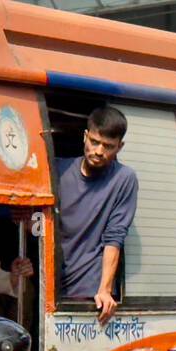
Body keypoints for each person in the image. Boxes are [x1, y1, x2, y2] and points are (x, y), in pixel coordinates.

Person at [57, 106, 139, 324]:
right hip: (49, 281)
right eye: (95, 142)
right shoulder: (58, 170)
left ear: (119, 147)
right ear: (85, 137)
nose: (99, 151)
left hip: (87, 291)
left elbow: (114, 237)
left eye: (108, 146)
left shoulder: (124, 179)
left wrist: (105, 290)